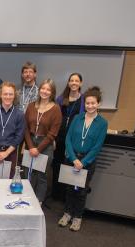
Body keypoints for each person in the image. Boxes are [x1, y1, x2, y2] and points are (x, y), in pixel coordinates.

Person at [58, 86, 108, 231]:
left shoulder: (102, 123)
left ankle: (77, 217)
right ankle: (67, 214)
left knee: (81, 191)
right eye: (87, 103)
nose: (90, 106)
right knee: (69, 189)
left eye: (93, 103)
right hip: (72, 159)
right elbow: (68, 139)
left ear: (98, 103)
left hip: (87, 162)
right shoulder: (77, 118)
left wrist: (83, 162)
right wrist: (74, 159)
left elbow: (97, 147)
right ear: (84, 104)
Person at [24, 79, 62, 204]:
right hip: (30, 142)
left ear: (52, 92)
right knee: (28, 173)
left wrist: (38, 149)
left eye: (48, 89)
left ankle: (38, 202)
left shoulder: (56, 109)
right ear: (39, 89)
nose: (45, 92)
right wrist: (30, 147)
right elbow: (25, 128)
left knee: (42, 176)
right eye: (43, 88)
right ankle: (25, 199)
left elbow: (52, 133)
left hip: (45, 144)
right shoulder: (31, 106)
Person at [52, 73, 85, 201]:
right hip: (60, 137)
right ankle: (57, 194)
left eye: (77, 81)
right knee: (57, 165)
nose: (74, 83)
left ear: (80, 83)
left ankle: (68, 196)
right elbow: (55, 119)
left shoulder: (83, 100)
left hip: (73, 139)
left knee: (70, 166)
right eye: (71, 80)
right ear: (68, 82)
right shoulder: (61, 99)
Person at [0, 82, 25, 178]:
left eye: (10, 94)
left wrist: (6, 153)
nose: (8, 97)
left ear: (14, 96)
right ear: (0, 95)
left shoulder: (19, 114)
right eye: (5, 94)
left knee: (8, 181)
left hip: (11, 152)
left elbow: (19, 137)